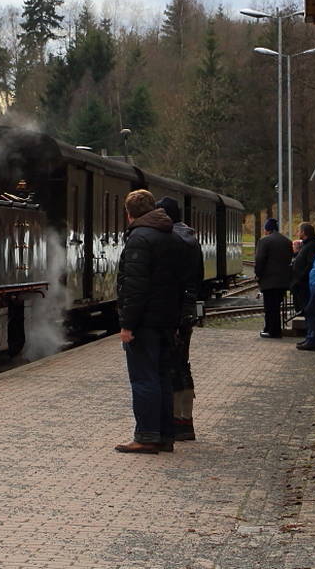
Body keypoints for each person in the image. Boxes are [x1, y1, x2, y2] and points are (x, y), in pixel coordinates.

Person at [115, 189, 190, 454]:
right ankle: (165, 435)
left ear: (130, 213)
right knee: (162, 377)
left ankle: (146, 436)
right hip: (167, 319)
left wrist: (127, 324)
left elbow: (135, 287)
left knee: (143, 378)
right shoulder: (172, 236)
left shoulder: (139, 238)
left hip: (145, 321)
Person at [155, 195, 202, 441]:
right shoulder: (192, 238)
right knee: (182, 365)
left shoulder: (172, 240)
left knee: (171, 367)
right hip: (187, 309)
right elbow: (199, 277)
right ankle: (185, 420)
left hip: (174, 311)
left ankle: (176, 423)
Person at [253, 218, 293, 338]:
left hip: (269, 279)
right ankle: (270, 328)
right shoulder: (286, 241)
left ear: (267, 230)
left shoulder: (264, 241)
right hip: (284, 279)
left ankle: (273, 331)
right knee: (276, 305)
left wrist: (258, 274)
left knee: (270, 306)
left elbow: (260, 259)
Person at [290, 222, 315, 322]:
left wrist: (300, 277)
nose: (298, 232)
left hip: (305, 281)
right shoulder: (306, 244)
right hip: (301, 281)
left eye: (299, 230)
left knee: (307, 304)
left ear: (303, 232)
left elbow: (310, 263)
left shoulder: (312, 245)